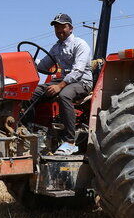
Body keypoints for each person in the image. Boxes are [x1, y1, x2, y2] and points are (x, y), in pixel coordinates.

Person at [28, 13, 93, 156]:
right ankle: (28, 131)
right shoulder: (56, 48)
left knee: (64, 95)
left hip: (82, 81)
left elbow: (78, 70)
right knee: (31, 92)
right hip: (64, 79)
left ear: (70, 28)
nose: (59, 30)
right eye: (56, 27)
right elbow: (44, 65)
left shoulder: (80, 44)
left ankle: (69, 141)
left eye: (62, 26)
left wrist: (59, 86)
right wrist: (28, 62)